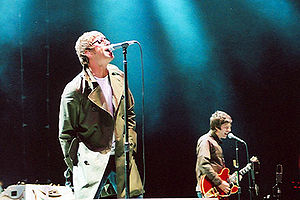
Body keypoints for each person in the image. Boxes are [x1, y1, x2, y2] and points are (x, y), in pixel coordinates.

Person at [58, 31, 144, 199]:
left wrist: (130, 141)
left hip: (121, 155)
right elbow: (66, 133)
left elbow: (129, 112)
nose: (107, 42)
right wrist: (78, 163)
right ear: (88, 53)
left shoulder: (118, 75)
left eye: (106, 39)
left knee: (134, 197)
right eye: (100, 41)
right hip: (93, 159)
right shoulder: (75, 89)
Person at [195, 110, 232, 198]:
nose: (229, 130)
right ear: (216, 127)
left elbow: (215, 167)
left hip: (214, 188)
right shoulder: (206, 141)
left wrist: (230, 178)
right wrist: (219, 183)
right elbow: (204, 164)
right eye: (226, 127)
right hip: (208, 189)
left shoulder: (215, 142)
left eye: (229, 127)